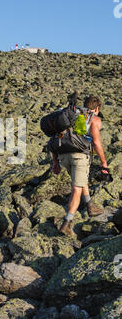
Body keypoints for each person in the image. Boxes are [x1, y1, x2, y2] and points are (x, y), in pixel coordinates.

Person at [52, 95, 108, 236]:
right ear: (96, 108)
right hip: (79, 156)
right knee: (76, 188)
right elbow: (96, 142)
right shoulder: (94, 119)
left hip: (63, 155)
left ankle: (90, 205)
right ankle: (67, 222)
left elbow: (55, 137)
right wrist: (104, 162)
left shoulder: (69, 115)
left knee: (81, 180)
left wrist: (55, 162)